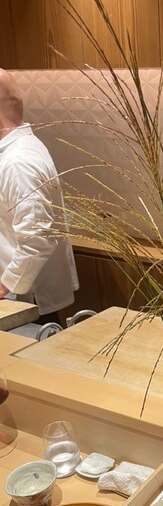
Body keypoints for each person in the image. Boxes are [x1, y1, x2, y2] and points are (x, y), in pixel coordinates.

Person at [0, 69, 78, 324]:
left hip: (26, 303)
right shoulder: (15, 152)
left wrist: (5, 285)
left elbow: (37, 239)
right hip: (17, 297)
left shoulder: (18, 162)